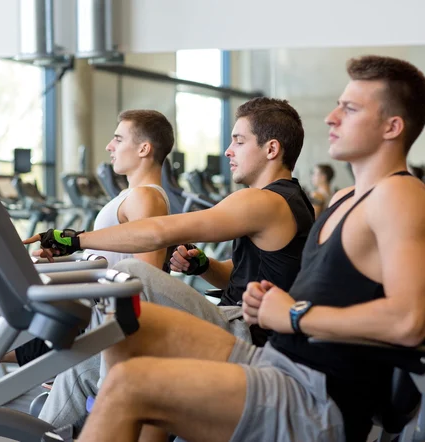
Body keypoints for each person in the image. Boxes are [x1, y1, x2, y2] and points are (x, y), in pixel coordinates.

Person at [71, 55, 425, 442]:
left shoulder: (400, 194)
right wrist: (268, 299)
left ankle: (101, 406)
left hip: (314, 396)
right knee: (133, 330)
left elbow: (408, 321)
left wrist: (294, 314)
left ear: (392, 127)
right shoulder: (347, 198)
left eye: (349, 108)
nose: (331, 118)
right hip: (278, 359)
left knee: (130, 374)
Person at [28, 97, 315, 429]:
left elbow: (158, 233)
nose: (227, 151)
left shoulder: (264, 200)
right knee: (79, 364)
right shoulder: (287, 199)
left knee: (131, 274)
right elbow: (241, 276)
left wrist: (73, 240)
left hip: (248, 334)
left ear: (271, 149)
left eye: (238, 140)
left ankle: (121, 393)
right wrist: (204, 265)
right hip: (237, 320)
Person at [0, 109, 174, 393]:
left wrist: (77, 275)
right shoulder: (132, 195)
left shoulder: (146, 197)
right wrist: (68, 260)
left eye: (118, 139)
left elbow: (145, 279)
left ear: (144, 148)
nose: (109, 146)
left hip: (97, 312)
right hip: (90, 297)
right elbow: (119, 258)